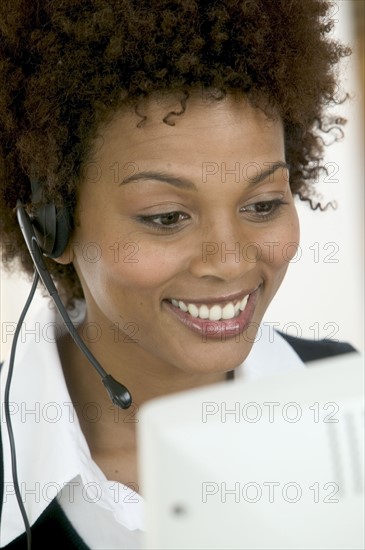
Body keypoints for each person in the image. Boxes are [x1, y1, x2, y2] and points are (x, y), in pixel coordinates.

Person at [0, 1, 357, 548]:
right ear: (53, 226)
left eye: (262, 205)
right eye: (166, 217)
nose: (231, 261)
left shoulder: (351, 402)